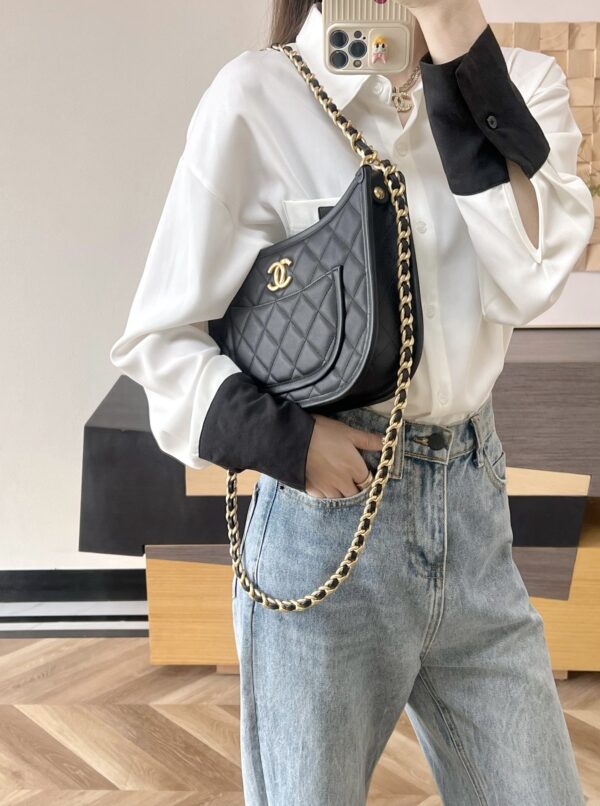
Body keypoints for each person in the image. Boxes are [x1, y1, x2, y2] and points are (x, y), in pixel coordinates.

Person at [109, 1, 594, 803]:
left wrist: (454, 33)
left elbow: (531, 277)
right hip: (322, 530)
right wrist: (291, 445)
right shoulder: (258, 98)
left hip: (474, 513)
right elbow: (158, 343)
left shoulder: (521, 85)